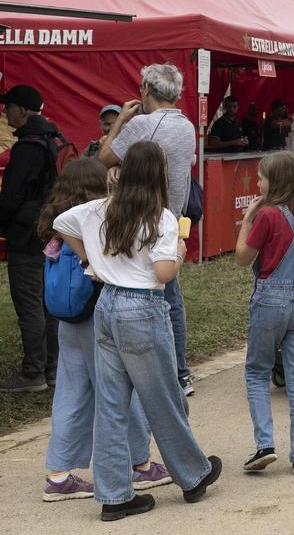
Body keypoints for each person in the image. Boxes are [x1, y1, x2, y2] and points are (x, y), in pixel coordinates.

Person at [53, 141, 220, 520]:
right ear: (159, 175)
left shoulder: (99, 209)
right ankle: (193, 476)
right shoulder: (160, 218)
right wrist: (178, 248)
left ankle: (114, 495)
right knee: (162, 397)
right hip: (141, 308)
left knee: (111, 404)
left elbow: (60, 223)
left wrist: (87, 258)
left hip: (107, 305)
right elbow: (163, 273)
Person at [38, 158, 169, 503]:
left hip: (67, 320)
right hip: (98, 316)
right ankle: (140, 463)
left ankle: (58, 473)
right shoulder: (96, 219)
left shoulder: (58, 227)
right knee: (119, 391)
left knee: (70, 392)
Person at [100, 64, 198, 396]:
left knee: (144, 295)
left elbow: (103, 158)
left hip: (141, 220)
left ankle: (162, 374)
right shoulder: (187, 126)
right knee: (171, 297)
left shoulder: (142, 124)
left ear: (145, 89)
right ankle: (180, 373)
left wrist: (120, 124)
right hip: (173, 217)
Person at [235, 151, 294, 476]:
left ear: (274, 182)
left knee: (257, 371)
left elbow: (242, 258)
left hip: (270, 301)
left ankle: (265, 445)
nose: (258, 182)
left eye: (260, 177)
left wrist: (248, 218)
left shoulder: (267, 216)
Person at [0, 84, 62, 392]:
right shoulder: (53, 139)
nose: (5, 112)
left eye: (8, 106)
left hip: (25, 236)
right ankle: (52, 368)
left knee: (29, 304)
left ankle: (32, 373)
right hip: (48, 233)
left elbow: (11, 196)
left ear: (22, 110)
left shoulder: (27, 147)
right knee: (46, 302)